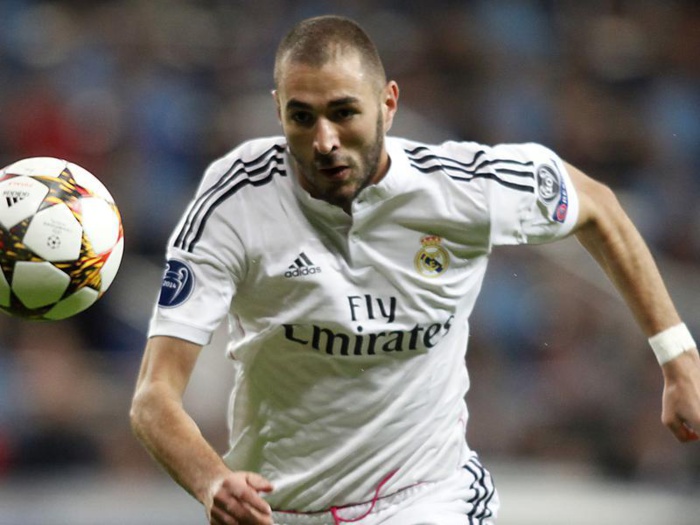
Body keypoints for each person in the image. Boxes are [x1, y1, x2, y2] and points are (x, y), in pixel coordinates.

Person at [130, 15, 700, 525]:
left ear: (389, 104)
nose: (324, 140)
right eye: (302, 117)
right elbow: (153, 398)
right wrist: (213, 481)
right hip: (278, 511)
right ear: (278, 109)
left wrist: (678, 358)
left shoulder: (464, 189)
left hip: (425, 497)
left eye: (344, 112)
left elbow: (598, 207)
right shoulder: (234, 204)